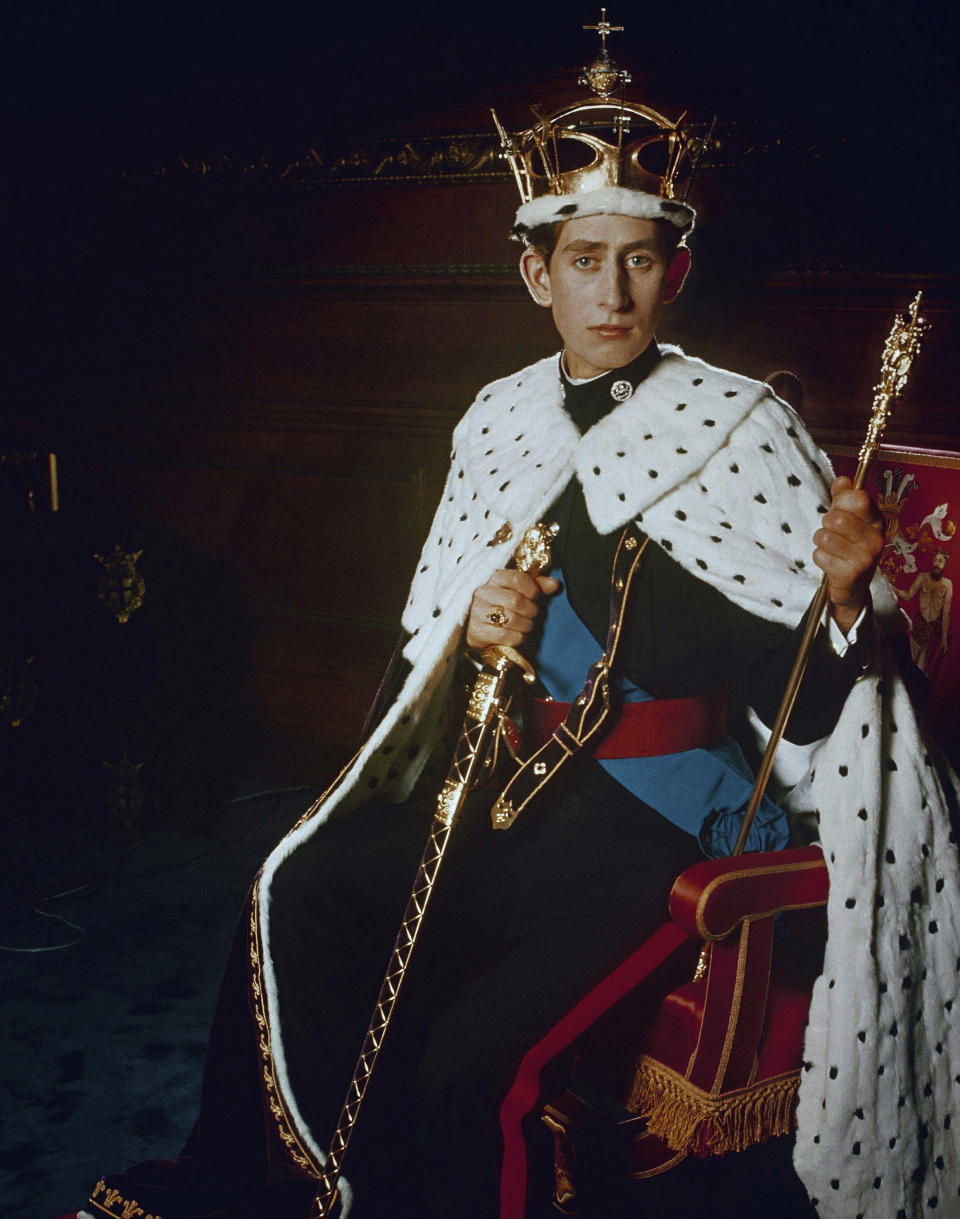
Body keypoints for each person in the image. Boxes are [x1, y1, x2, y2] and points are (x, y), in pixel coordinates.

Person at [77, 22, 960, 1219]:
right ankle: (285, 1184)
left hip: (654, 831)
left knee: (466, 1062)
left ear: (675, 273)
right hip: (505, 794)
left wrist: (848, 598)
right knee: (299, 886)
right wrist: (472, 635)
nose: (612, 289)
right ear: (537, 272)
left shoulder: (745, 427)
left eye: (639, 259)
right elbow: (424, 667)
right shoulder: (496, 422)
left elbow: (810, 713)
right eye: (585, 258)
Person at [895, 548, 952, 672]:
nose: (937, 563)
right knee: (906, 665)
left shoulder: (947, 585)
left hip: (932, 632)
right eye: (936, 560)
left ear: (944, 564)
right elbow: (907, 595)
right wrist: (891, 587)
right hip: (919, 627)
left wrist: (944, 637)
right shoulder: (922, 577)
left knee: (919, 670)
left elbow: (946, 613)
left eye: (940, 561)